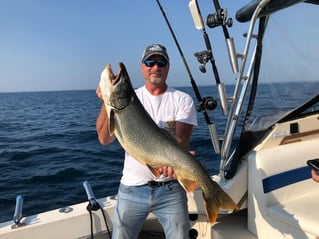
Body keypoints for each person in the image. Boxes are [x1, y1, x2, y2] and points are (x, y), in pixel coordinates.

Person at [96, 43, 198, 239]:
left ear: (168, 67)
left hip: (170, 189)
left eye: (161, 62)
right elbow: (103, 138)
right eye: (150, 62)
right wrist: (106, 102)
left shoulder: (182, 100)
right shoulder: (131, 97)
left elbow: (182, 142)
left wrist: (175, 165)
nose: (155, 67)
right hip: (131, 188)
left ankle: (214, 197)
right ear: (142, 67)